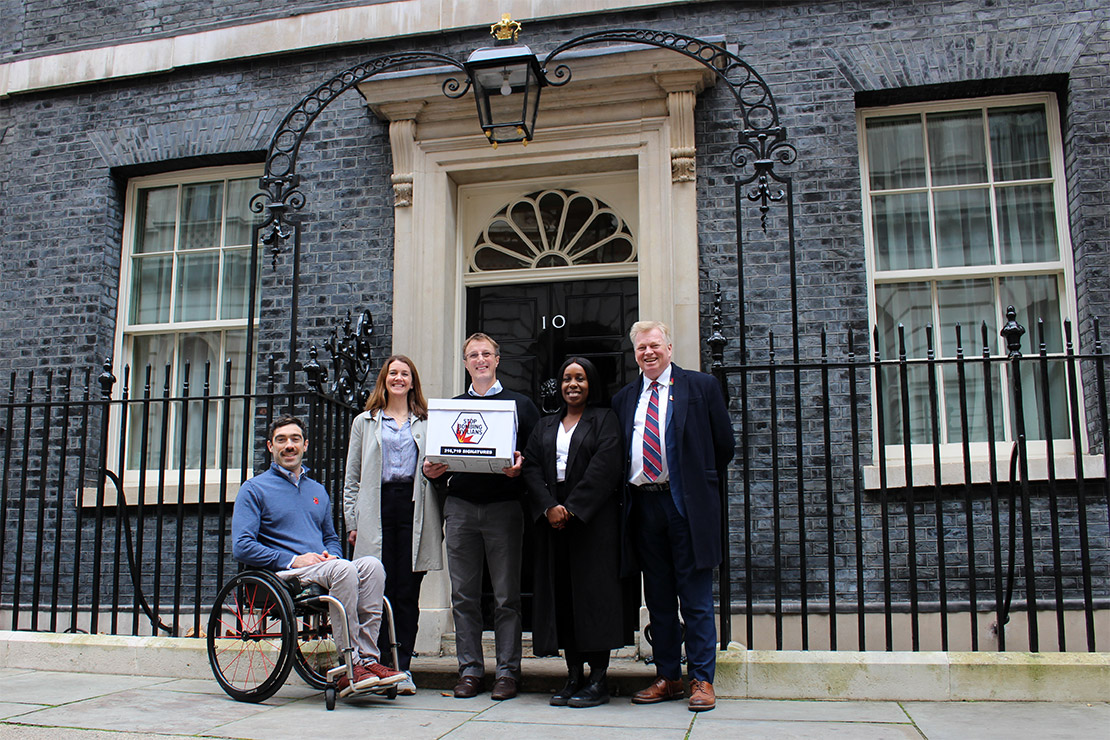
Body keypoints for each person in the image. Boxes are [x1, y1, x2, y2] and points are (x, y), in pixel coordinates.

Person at [232, 415, 405, 697]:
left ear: (305, 445)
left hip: (323, 569)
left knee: (372, 565)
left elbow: (331, 538)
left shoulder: (317, 490)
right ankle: (351, 662)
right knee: (344, 571)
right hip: (286, 574)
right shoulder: (254, 489)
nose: (289, 445)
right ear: (270, 447)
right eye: (282, 440)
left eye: (295, 439)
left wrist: (332, 555)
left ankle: (368, 660)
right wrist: (293, 560)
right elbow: (242, 546)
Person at [612, 320, 734, 712]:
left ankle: (702, 680)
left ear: (668, 347)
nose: (648, 353)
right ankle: (668, 676)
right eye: (641, 348)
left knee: (696, 598)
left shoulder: (700, 387)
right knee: (659, 599)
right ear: (635, 355)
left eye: (654, 346)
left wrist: (693, 482)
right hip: (643, 506)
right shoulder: (625, 398)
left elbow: (723, 446)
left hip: (685, 506)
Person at [423, 332, 539, 701]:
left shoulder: (520, 405)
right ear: (465, 362)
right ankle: (470, 669)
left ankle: (508, 672)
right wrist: (430, 471)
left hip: (505, 508)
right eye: (473, 355)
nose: (480, 360)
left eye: (486, 353)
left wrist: (522, 469)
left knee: (506, 597)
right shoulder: (449, 409)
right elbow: (432, 459)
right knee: (463, 596)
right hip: (459, 508)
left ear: (497, 359)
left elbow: (537, 459)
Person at [522, 356, 628, 708]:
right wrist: (549, 506)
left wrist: (574, 508)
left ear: (591, 383)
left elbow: (605, 467)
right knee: (562, 596)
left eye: (580, 378)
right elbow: (533, 468)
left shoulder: (605, 419)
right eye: (567, 378)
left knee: (593, 597)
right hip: (552, 519)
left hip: (592, 521)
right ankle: (572, 675)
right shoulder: (546, 424)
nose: (573, 385)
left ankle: (598, 678)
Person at [343, 355, 442, 696]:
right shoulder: (365, 422)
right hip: (376, 509)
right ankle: (372, 663)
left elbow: (440, 469)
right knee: (374, 592)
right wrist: (351, 519)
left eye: (405, 374)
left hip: (414, 509)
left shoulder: (427, 422)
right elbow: (352, 476)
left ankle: (402, 667)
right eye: (393, 373)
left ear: (413, 382)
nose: (398, 378)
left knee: (406, 592)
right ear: (384, 380)